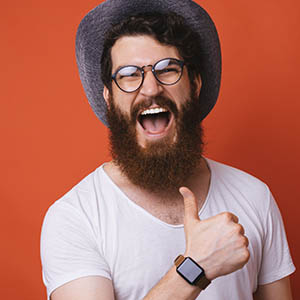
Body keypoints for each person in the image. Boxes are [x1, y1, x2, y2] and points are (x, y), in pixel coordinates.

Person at [40, 0, 295, 299]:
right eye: (129, 75)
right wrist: (196, 267)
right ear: (109, 99)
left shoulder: (255, 197)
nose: (150, 88)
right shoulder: (74, 217)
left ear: (195, 85)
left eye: (168, 69)